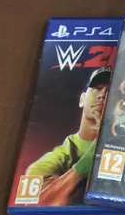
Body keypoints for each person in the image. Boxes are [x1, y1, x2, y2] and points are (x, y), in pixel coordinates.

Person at [26, 68, 111, 206]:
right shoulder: (48, 163)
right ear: (82, 99)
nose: (102, 95)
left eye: (110, 91)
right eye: (97, 88)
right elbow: (44, 203)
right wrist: (85, 164)